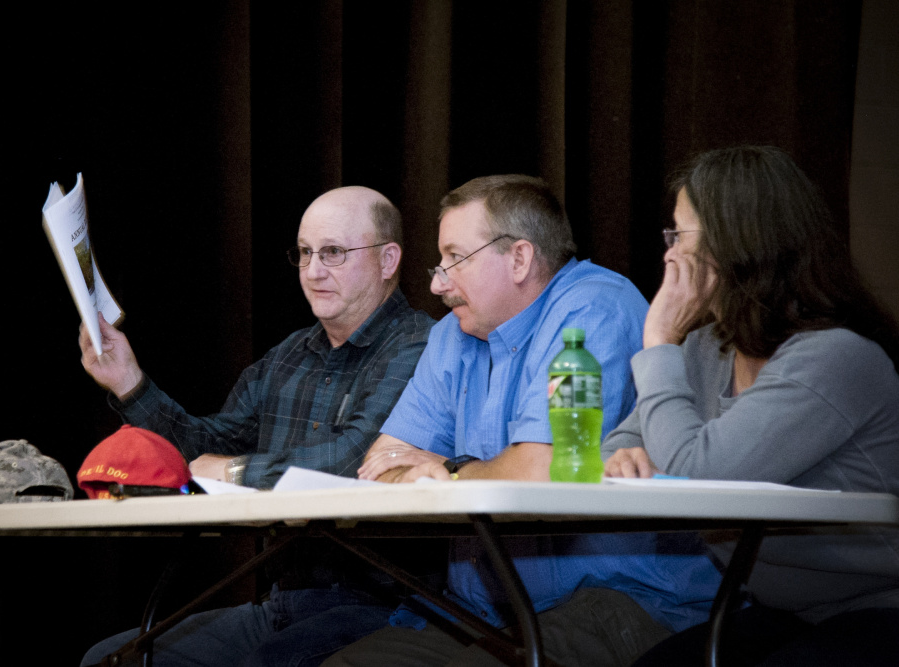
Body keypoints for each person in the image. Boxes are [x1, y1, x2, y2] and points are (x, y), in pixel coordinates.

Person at [324, 175, 723, 667]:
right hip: (484, 611)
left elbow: (543, 469)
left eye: (455, 258)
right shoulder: (453, 335)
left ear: (519, 258)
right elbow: (379, 465)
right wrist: (442, 470)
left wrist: (447, 469)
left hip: (619, 598)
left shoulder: (593, 308)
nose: (436, 282)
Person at [79, 186, 435, 667]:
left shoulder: (420, 345)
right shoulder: (289, 356)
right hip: (280, 604)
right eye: (305, 253)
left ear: (388, 259)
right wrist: (129, 383)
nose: (312, 272)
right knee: (111, 659)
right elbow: (203, 448)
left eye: (332, 253)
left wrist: (236, 472)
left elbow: (355, 458)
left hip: (386, 607)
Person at [601, 146, 899, 666]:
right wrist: (626, 456)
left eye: (680, 236)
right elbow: (626, 439)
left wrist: (659, 342)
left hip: (878, 610)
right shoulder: (706, 349)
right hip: (787, 611)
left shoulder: (836, 357)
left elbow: (704, 479)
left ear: (737, 242)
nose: (669, 255)